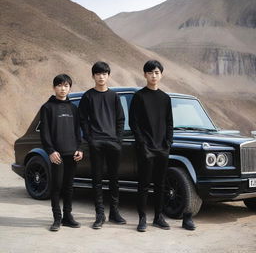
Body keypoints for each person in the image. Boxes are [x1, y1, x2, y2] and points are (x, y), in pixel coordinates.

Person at [129, 60, 196, 232]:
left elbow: (169, 123)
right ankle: (142, 218)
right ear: (145, 75)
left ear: (161, 75)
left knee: (160, 185)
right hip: (146, 149)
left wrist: (168, 144)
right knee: (143, 185)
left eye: (157, 72)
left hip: (162, 149)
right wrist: (142, 145)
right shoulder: (139, 97)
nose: (154, 75)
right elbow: (134, 123)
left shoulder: (165, 98)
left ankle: (158, 217)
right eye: (150, 72)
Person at [79, 61, 126, 229]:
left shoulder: (114, 96)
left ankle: (114, 212)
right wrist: (90, 139)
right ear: (93, 76)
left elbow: (120, 119)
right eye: (98, 74)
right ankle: (100, 214)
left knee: (114, 179)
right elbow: (82, 120)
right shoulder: (88, 96)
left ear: (108, 76)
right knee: (97, 179)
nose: (101, 76)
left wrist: (118, 139)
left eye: (104, 74)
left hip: (113, 142)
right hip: (96, 143)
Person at [40, 74, 83, 232]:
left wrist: (79, 148)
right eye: (59, 85)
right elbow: (44, 133)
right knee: (57, 186)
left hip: (72, 153)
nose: (63, 88)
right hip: (56, 154)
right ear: (54, 87)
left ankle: (67, 217)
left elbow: (78, 131)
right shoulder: (47, 107)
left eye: (66, 86)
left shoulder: (73, 108)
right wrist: (51, 151)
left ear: (70, 88)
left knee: (69, 187)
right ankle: (57, 219)